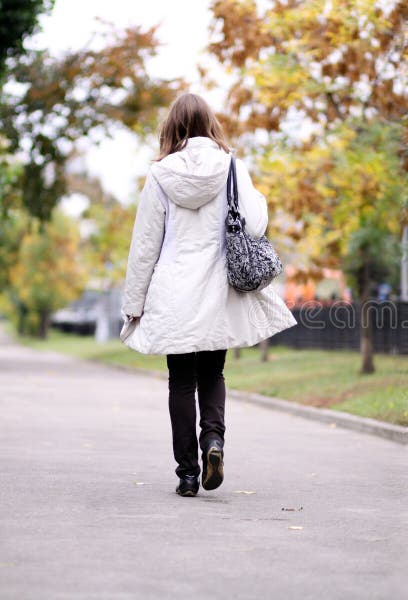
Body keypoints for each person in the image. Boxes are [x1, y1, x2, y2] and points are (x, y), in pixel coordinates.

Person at [121, 93, 296, 497]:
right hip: (218, 289)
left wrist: (134, 305)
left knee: (180, 381)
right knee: (212, 373)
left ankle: (186, 473)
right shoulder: (233, 167)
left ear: (172, 128)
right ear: (210, 125)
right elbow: (254, 223)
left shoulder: (160, 174)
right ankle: (213, 441)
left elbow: (145, 244)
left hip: (174, 292)